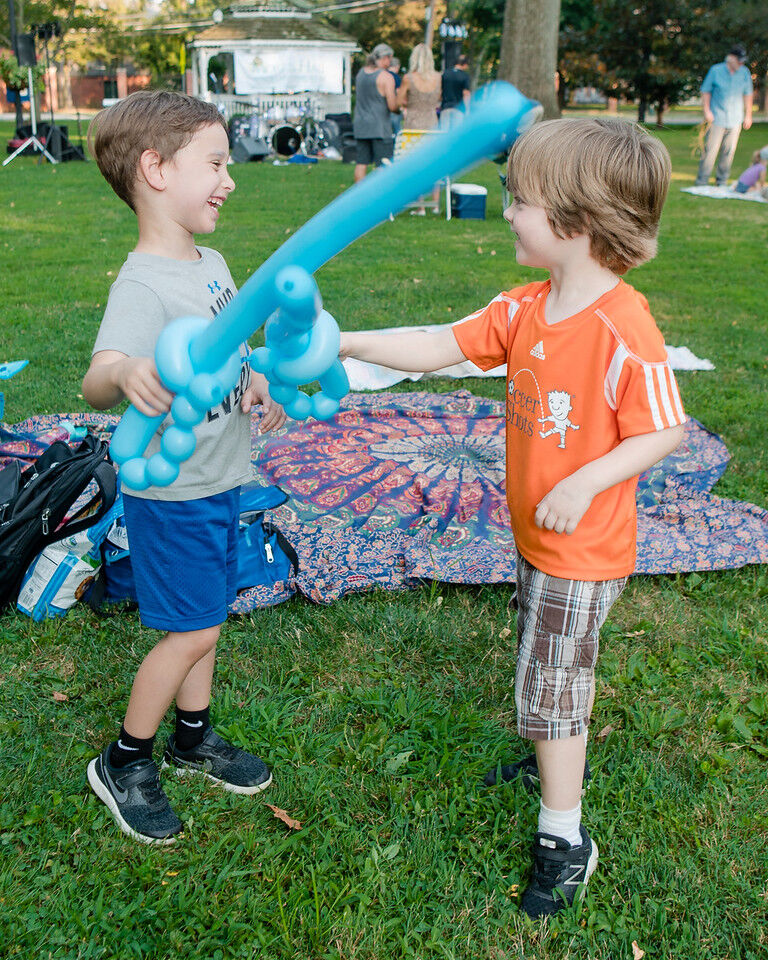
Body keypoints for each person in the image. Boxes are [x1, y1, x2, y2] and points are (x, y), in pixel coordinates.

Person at [340, 117, 686, 917]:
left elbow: (664, 426)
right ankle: (548, 750)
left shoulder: (621, 326)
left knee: (554, 678)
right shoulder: (527, 308)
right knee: (543, 657)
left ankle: (565, 838)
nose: (507, 212)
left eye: (521, 200)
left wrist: (586, 482)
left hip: (583, 544)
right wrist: (348, 339)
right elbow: (437, 342)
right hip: (538, 539)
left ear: (579, 218)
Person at [82, 91, 287, 845]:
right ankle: (124, 759)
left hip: (219, 477)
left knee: (208, 617)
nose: (230, 179)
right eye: (216, 163)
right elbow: (98, 373)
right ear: (155, 169)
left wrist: (254, 380)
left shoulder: (213, 263)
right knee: (193, 627)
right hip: (172, 492)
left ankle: (193, 736)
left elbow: (227, 351)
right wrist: (128, 369)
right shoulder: (144, 282)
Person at [695, 44, 753, 187]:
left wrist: (748, 115)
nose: (741, 63)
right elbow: (705, 91)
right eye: (739, 60)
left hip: (735, 119)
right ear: (731, 58)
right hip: (716, 118)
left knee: (728, 152)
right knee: (710, 152)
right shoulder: (716, 70)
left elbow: (748, 94)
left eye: (742, 61)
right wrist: (707, 111)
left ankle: (722, 181)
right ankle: (702, 181)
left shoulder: (744, 72)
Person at [398, 43, 442, 214]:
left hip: (413, 124)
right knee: (434, 164)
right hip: (432, 123)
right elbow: (438, 98)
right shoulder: (438, 78)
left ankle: (421, 206)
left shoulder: (409, 79)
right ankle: (436, 204)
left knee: (415, 165)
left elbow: (398, 101)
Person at [353, 43, 398, 183]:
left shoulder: (360, 74)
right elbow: (392, 106)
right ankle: (379, 197)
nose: (390, 62)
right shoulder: (386, 77)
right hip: (379, 127)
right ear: (385, 58)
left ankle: (359, 197)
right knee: (383, 164)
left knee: (361, 163)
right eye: (389, 58)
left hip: (361, 125)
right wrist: (399, 105)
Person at [440, 53, 471, 128]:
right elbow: (466, 94)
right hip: (459, 108)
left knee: (443, 134)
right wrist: (467, 110)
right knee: (456, 135)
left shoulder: (445, 73)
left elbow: (440, 90)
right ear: (465, 64)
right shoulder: (465, 76)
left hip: (445, 107)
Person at [388, 56, 403, 136]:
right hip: (394, 107)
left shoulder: (383, 75)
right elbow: (398, 92)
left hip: (384, 107)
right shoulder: (396, 77)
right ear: (397, 66)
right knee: (397, 131)